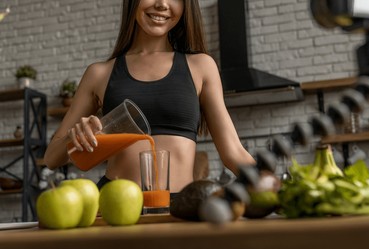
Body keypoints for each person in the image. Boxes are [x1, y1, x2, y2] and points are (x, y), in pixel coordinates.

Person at [44, 0, 255, 193]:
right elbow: (52, 157)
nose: (162, 4)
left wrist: (277, 191)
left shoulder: (201, 66)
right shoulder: (99, 73)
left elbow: (233, 153)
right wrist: (77, 134)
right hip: (115, 208)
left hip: (180, 208)